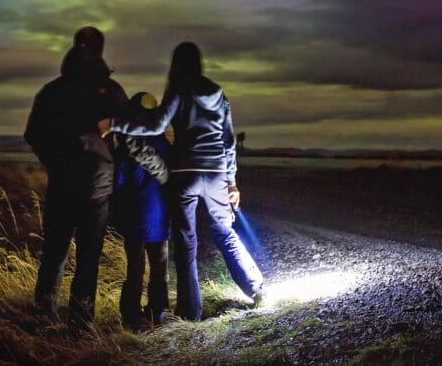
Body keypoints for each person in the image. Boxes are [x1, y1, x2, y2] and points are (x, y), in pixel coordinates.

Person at [99, 41, 263, 321]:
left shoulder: (178, 88)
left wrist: (114, 123)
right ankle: (255, 287)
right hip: (216, 174)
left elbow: (156, 126)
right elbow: (228, 141)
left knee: (186, 243)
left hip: (185, 173)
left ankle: (190, 313)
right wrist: (232, 182)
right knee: (225, 231)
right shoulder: (218, 93)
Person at [24, 29, 168, 331]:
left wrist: (55, 162)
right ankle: (80, 325)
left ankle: (43, 318)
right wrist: (162, 172)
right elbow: (130, 141)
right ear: (101, 51)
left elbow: (33, 134)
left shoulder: (51, 91)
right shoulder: (111, 91)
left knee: (54, 254)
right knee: (88, 258)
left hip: (62, 184)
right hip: (97, 187)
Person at [111, 91, 171, 328]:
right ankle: (158, 313)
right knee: (159, 267)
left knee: (135, 269)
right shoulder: (165, 144)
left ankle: (131, 316)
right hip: (161, 217)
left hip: (135, 216)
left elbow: (118, 183)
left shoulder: (127, 147)